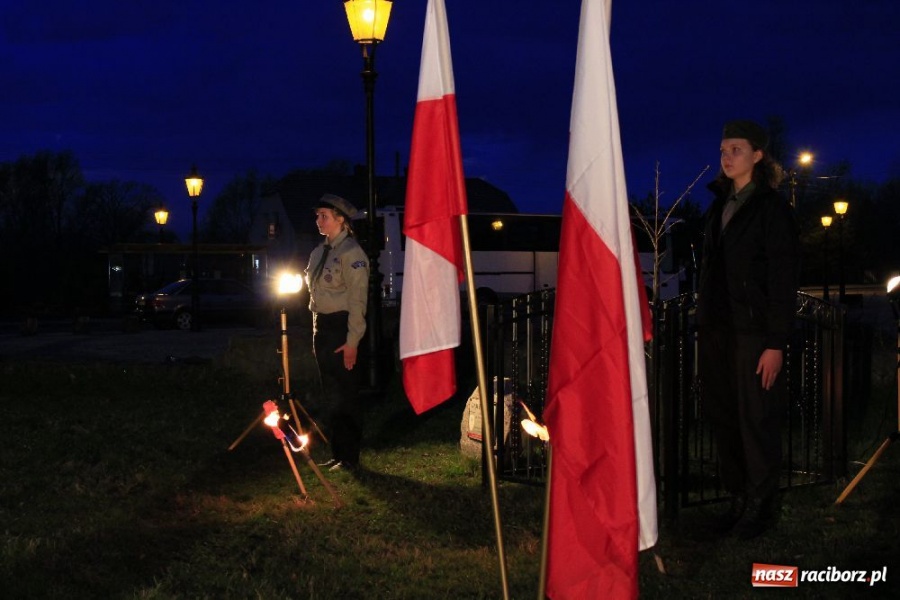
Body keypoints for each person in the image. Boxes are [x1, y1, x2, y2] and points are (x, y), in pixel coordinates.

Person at [696, 120, 800, 540]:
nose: (726, 156)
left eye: (736, 148)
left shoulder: (771, 209)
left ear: (758, 155)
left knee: (756, 420)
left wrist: (775, 343)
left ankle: (761, 507)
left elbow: (782, 280)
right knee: (725, 419)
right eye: (723, 149)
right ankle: (738, 500)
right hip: (718, 331)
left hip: (753, 334)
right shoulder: (718, 205)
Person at [306, 194, 369, 472]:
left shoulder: (351, 254)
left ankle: (350, 457)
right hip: (321, 326)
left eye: (324, 216)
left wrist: (352, 341)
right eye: (318, 215)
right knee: (330, 393)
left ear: (341, 219)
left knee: (346, 395)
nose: (319, 220)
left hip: (342, 328)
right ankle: (338, 453)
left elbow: (358, 302)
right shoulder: (319, 252)